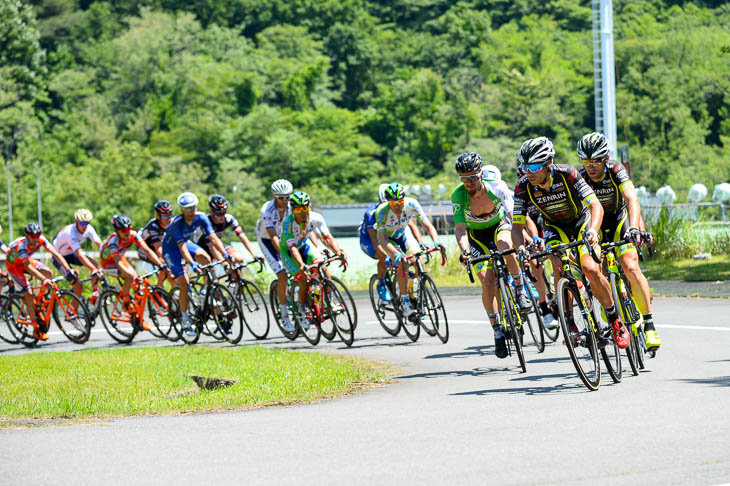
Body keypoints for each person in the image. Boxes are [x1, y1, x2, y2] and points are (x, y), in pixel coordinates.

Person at [511, 136, 630, 349]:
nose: (529, 172)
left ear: (548, 164)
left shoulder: (568, 174)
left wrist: (593, 230)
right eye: (525, 167)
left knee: (590, 268)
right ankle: (570, 323)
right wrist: (520, 248)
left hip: (581, 222)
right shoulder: (522, 187)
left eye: (535, 167)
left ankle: (614, 319)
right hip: (555, 227)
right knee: (559, 267)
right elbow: (517, 225)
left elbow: (596, 206)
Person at [576, 132, 661, 351]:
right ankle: (616, 315)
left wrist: (634, 228)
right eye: (587, 162)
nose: (591, 166)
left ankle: (649, 324)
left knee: (630, 266)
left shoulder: (616, 170)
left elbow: (632, 199)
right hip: (595, 225)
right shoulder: (579, 177)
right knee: (598, 274)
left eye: (596, 161)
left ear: (605, 158)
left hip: (618, 220)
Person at [452, 152, 529, 358]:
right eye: (464, 178)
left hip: (499, 226)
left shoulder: (497, 187)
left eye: (473, 177)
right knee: (487, 282)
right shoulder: (458, 195)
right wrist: (465, 249)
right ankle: (496, 330)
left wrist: (523, 236)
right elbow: (460, 228)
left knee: (505, 244)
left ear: (481, 174)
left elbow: (513, 215)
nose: (469, 182)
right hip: (477, 236)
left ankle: (520, 288)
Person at [161, 192, 230, 337]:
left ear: (196, 206)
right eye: (186, 209)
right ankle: (185, 319)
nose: (190, 212)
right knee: (184, 283)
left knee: (205, 258)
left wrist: (224, 254)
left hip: (186, 243)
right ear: (181, 210)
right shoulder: (176, 224)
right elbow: (182, 249)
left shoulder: (201, 217)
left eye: (192, 208)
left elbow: (213, 238)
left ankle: (205, 290)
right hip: (171, 249)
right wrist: (192, 264)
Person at [280, 191, 346, 330]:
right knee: (304, 280)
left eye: (305, 208)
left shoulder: (316, 218)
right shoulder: (288, 223)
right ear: (292, 210)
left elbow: (327, 237)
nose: (303, 213)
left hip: (304, 247)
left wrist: (338, 252)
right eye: (298, 210)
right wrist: (301, 265)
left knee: (323, 269)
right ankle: (301, 310)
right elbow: (292, 248)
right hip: (289, 253)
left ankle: (331, 301)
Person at [376, 183, 444, 318]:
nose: (397, 205)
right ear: (388, 202)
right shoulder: (382, 211)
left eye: (400, 202)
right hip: (390, 240)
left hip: (403, 235)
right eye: (393, 203)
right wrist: (395, 254)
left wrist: (436, 241)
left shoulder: (412, 204)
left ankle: (416, 294)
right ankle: (405, 302)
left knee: (418, 259)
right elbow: (383, 240)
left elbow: (427, 224)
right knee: (403, 263)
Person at [5, 223, 75, 341]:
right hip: (14, 266)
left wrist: (69, 269)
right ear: (27, 236)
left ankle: (40, 299)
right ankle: (36, 328)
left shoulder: (41, 240)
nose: (36, 238)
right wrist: (44, 280)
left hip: (24, 261)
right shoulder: (22, 246)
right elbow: (28, 267)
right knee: (29, 292)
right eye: (33, 236)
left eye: (38, 235)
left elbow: (56, 254)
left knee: (49, 273)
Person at [99, 214, 165, 331]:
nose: (127, 232)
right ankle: (125, 303)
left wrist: (160, 264)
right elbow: (118, 263)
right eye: (123, 230)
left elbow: (147, 250)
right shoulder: (113, 242)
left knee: (137, 286)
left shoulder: (134, 235)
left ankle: (137, 317)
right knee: (129, 277)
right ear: (117, 231)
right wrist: (131, 276)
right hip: (109, 263)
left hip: (120, 258)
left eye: (129, 228)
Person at [359, 184, 422, 303]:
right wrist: (388, 255)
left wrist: (420, 244)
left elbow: (411, 226)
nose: (396, 207)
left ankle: (410, 291)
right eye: (391, 204)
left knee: (408, 259)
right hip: (369, 240)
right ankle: (381, 283)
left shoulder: (401, 207)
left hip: (392, 234)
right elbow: (376, 241)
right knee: (384, 256)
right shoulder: (373, 213)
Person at [51, 208, 104, 306]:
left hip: (71, 253)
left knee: (95, 264)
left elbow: (100, 244)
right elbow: (79, 254)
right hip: (59, 257)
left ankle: (95, 293)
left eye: (87, 223)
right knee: (78, 286)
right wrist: (93, 270)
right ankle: (73, 313)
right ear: (76, 222)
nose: (85, 226)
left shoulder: (89, 228)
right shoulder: (71, 233)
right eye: (82, 224)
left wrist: (110, 256)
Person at [198, 194, 264, 265]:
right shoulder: (205, 222)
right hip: (203, 247)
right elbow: (211, 246)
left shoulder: (229, 219)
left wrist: (254, 255)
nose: (222, 216)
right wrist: (224, 264)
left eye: (224, 212)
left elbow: (242, 237)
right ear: (211, 212)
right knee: (211, 266)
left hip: (217, 245)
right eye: (219, 214)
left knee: (239, 259)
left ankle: (235, 275)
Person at [139, 200, 175, 287]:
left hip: (158, 248)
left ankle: (174, 290)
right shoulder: (153, 226)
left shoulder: (172, 223)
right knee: (164, 264)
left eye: (170, 215)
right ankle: (159, 290)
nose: (168, 219)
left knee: (171, 265)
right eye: (165, 217)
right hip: (145, 250)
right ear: (158, 216)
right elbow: (158, 247)